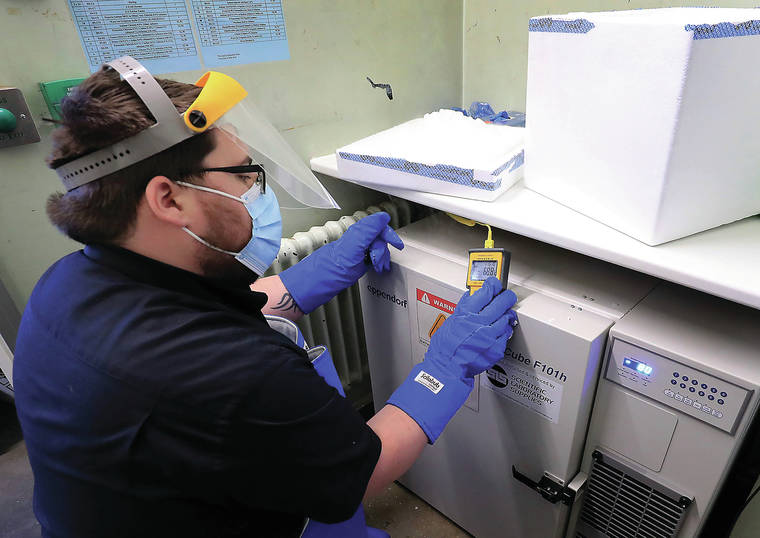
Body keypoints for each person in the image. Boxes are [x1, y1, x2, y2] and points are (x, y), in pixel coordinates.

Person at [13, 57, 518, 538]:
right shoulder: (234, 376)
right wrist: (445, 369)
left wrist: (319, 270)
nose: (257, 187)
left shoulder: (67, 283)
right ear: (168, 199)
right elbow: (360, 472)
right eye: (241, 175)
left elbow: (202, 317)